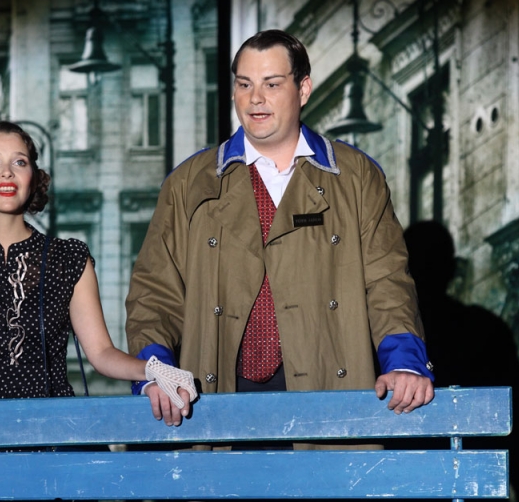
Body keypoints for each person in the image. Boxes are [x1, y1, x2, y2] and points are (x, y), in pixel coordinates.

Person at [125, 29, 435, 434]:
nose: (256, 98)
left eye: (271, 84)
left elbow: (387, 281)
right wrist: (154, 372)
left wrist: (405, 363)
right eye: (244, 85)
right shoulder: (188, 183)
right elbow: (155, 293)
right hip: (212, 401)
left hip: (325, 393)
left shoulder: (356, 177)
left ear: (303, 89)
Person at [0, 121, 196, 426]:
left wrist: (151, 370)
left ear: (33, 178)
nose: (7, 172)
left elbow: (102, 353)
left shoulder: (69, 259)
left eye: (19, 162)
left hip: (51, 430)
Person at [403, 220, 519, 501]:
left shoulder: (383, 342)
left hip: (401, 486)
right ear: (452, 270)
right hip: (471, 487)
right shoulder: (484, 332)